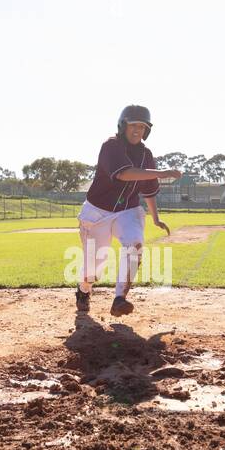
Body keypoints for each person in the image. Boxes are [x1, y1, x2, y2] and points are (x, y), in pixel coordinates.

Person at [75, 104, 182, 316]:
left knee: (134, 244)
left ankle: (119, 299)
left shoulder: (146, 154)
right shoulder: (111, 146)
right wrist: (161, 172)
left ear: (147, 131)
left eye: (142, 127)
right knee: (95, 266)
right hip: (97, 212)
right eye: (133, 125)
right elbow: (124, 173)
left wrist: (155, 218)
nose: (137, 130)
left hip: (128, 211)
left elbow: (149, 190)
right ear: (123, 126)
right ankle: (83, 290)